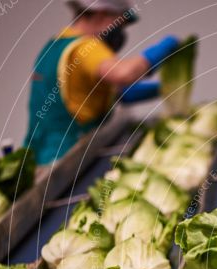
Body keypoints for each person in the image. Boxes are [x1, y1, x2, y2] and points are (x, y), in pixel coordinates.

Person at [24, 0, 183, 164]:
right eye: (120, 23)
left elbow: (109, 92)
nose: (121, 32)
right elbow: (124, 73)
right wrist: (162, 49)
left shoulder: (55, 45)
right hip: (68, 159)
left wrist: (163, 88)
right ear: (101, 14)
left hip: (40, 156)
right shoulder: (86, 47)